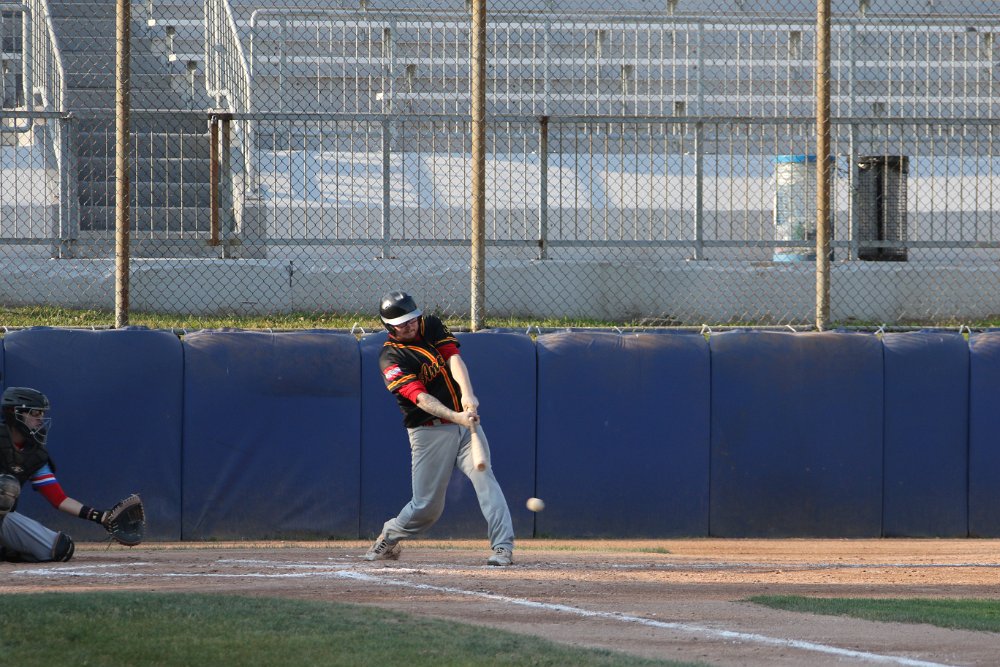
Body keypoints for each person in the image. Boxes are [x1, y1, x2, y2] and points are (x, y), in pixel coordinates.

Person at [366, 291, 516, 566]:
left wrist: (467, 394)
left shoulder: (430, 325)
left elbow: (453, 358)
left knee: (485, 479)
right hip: (429, 430)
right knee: (426, 508)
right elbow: (421, 399)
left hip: (464, 422)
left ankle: (502, 547)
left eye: (412, 319)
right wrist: (455, 416)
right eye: (402, 323)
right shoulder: (390, 359)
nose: (410, 325)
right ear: (389, 327)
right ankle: (389, 534)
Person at [0, 387, 113, 562]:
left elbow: (59, 499)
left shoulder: (34, 454)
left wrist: (100, 516)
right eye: (35, 412)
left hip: (3, 520)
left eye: (42, 413)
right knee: (6, 487)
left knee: (61, 548)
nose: (40, 418)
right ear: (13, 412)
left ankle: (6, 549)